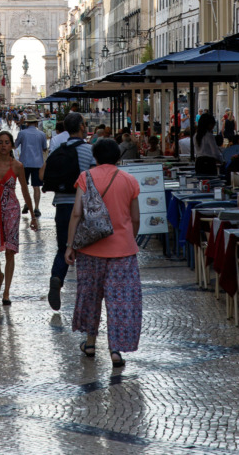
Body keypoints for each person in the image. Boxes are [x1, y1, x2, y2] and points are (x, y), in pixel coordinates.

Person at [65, 138, 142, 368]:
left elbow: (77, 214)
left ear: (95, 157)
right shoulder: (130, 181)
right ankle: (115, 350)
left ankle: (90, 342)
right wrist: (129, 237)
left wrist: (70, 245)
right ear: (118, 157)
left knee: (90, 296)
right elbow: (136, 218)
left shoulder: (86, 178)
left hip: (90, 250)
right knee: (120, 300)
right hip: (123, 251)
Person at [39, 111, 95, 311]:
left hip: (62, 205)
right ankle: (87, 293)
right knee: (88, 250)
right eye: (85, 123)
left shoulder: (58, 150)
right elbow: (96, 178)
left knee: (64, 247)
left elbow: (42, 174)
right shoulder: (89, 150)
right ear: (81, 127)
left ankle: (57, 277)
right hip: (83, 205)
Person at [0, 130, 37, 305]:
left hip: (11, 210)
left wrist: (32, 215)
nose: (4, 145)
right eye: (1, 142)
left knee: (10, 251)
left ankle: (7, 293)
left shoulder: (18, 166)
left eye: (7, 142)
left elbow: (25, 191)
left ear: (12, 145)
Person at [14, 113, 47, 217]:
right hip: (38, 163)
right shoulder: (42, 134)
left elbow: (15, 145)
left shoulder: (22, 133)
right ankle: (36, 208)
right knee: (36, 186)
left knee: (25, 186)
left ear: (27, 123)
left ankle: (27, 204)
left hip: (24, 163)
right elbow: (45, 148)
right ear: (36, 123)